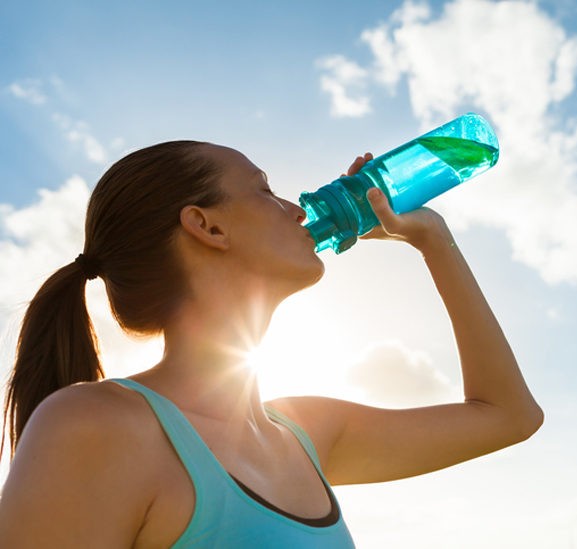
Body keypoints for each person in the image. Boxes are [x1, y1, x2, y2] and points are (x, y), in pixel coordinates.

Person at [0, 140, 543, 547]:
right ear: (207, 227)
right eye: (264, 190)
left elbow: (510, 416)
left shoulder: (304, 433)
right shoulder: (97, 426)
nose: (299, 208)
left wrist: (430, 238)